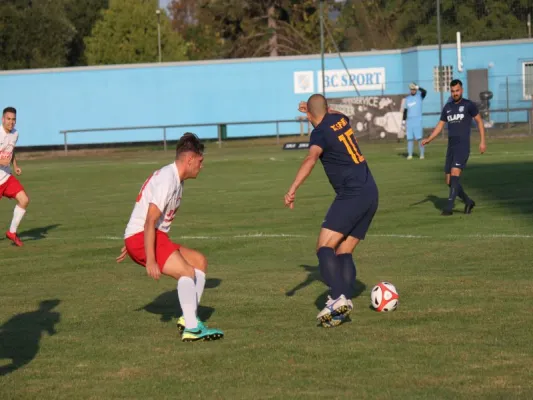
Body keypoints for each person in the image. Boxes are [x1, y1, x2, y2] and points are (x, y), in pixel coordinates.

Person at [116, 133, 223, 342]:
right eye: (200, 161)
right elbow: (148, 220)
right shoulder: (168, 179)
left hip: (147, 237)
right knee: (186, 271)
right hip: (143, 236)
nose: (202, 166)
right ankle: (192, 328)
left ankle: (187, 318)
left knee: (199, 262)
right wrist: (150, 258)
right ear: (189, 159)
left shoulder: (176, 179)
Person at [285, 94, 379, 328]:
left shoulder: (320, 133)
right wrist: (316, 109)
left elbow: (311, 158)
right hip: (370, 191)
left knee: (324, 247)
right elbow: (332, 113)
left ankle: (338, 298)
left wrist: (293, 188)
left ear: (308, 115)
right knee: (343, 250)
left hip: (352, 193)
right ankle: (343, 303)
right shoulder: (341, 120)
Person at [421, 79, 486, 215]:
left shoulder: (469, 105)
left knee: (455, 173)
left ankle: (449, 206)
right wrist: (429, 139)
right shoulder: (448, 107)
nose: (455, 93)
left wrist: (482, 141)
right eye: (453, 91)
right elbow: (440, 125)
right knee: (449, 181)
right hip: (451, 147)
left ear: (461, 90)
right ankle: (468, 202)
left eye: (457, 90)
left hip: (463, 146)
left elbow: (479, 122)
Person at [0, 107, 30, 247]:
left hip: (6, 177)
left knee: (24, 200)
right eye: (8, 119)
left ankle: (12, 232)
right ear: (3, 119)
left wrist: (15, 165)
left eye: (14, 119)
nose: (11, 122)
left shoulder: (15, 134)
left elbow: (11, 151)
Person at [402, 82, 427, 159]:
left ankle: (422, 154)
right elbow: (405, 111)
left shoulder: (420, 96)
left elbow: (425, 92)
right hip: (409, 121)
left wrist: (418, 87)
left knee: (419, 138)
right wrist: (403, 121)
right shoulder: (407, 99)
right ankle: (410, 155)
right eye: (411, 89)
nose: (413, 91)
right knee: (409, 138)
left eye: (414, 89)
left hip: (417, 120)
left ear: (416, 89)